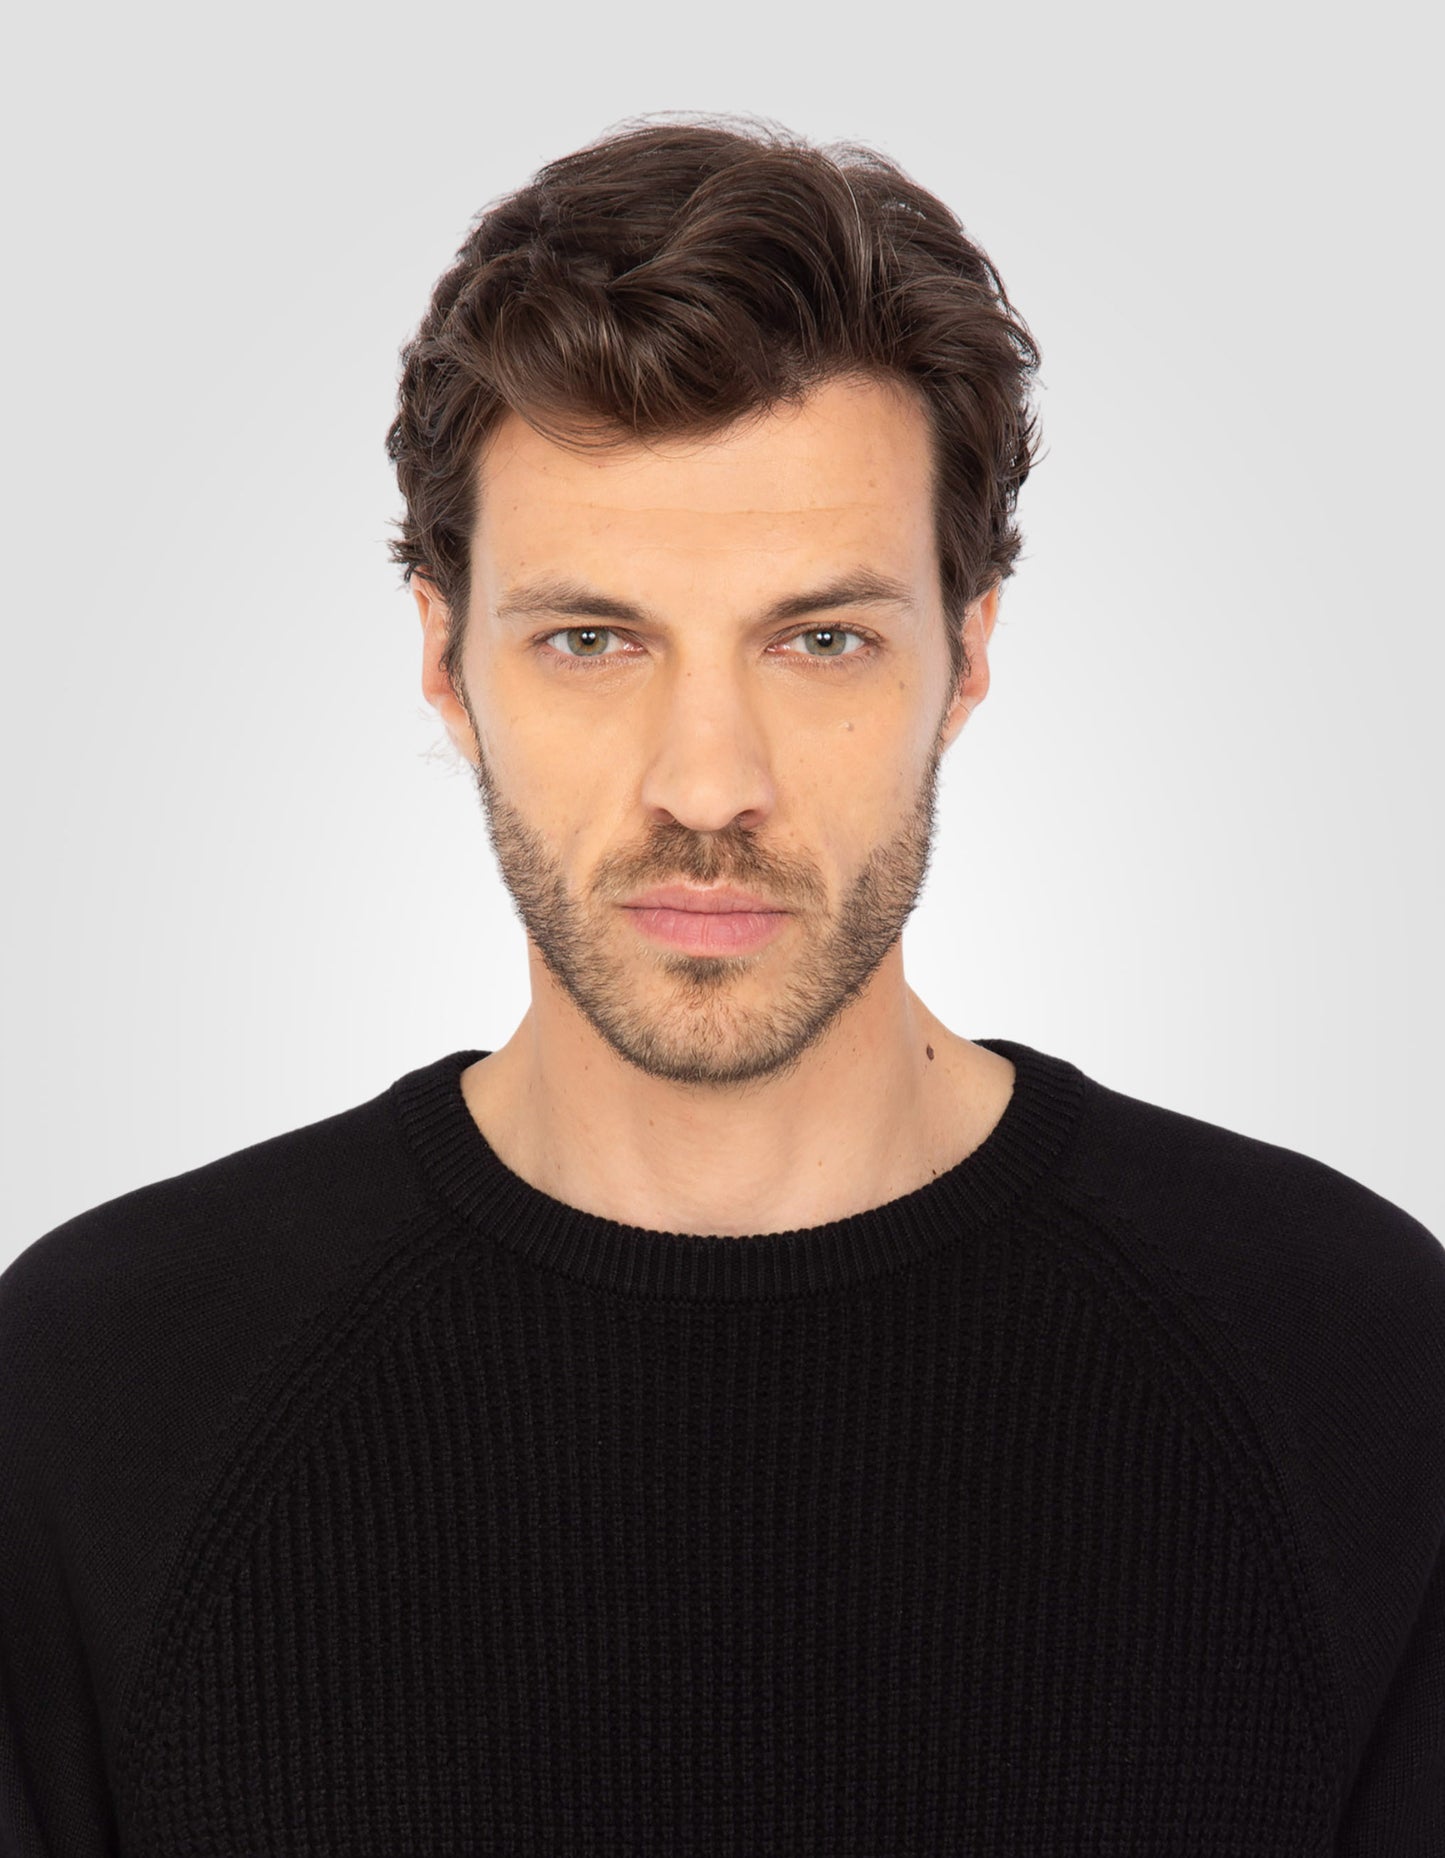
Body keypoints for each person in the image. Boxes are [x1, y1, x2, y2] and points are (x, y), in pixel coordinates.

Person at [2, 116, 1441, 1858]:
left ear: (965, 657)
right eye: (590, 640)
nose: (706, 782)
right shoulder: (101, 1394)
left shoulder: (1353, 1365)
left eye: (819, 639)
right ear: (444, 659)